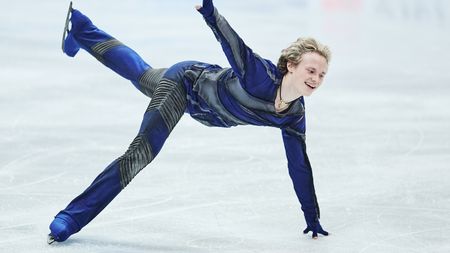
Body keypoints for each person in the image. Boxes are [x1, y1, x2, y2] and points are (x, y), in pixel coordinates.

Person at [48, 0, 331, 244]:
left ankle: (81, 29)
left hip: (200, 104)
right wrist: (210, 12)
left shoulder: (294, 115)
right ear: (291, 66)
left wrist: (311, 215)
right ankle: (70, 218)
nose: (316, 79)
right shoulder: (261, 77)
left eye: (321, 74)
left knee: (141, 74)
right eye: (311, 70)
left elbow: (298, 164)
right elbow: (234, 44)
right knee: (141, 153)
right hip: (184, 84)